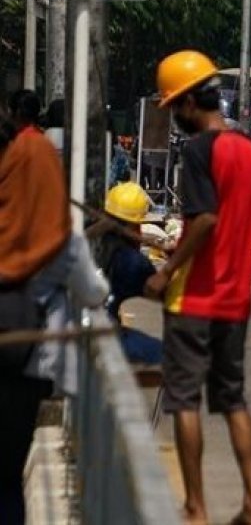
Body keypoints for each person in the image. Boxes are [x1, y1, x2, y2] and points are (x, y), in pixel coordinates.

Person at [144, 51, 251, 525]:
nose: (175, 117)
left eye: (176, 106)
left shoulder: (199, 151)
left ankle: (195, 508)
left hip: (194, 298)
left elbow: (204, 219)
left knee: (183, 400)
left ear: (190, 103)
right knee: (234, 400)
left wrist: (167, 270)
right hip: (237, 299)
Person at [0, 90, 71, 524]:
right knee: (7, 478)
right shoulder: (37, 157)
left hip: (22, 343)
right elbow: (69, 259)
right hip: (25, 347)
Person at [86, 182, 164, 364]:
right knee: (168, 354)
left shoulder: (91, 241)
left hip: (71, 332)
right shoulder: (133, 263)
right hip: (101, 339)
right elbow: (161, 293)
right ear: (135, 225)